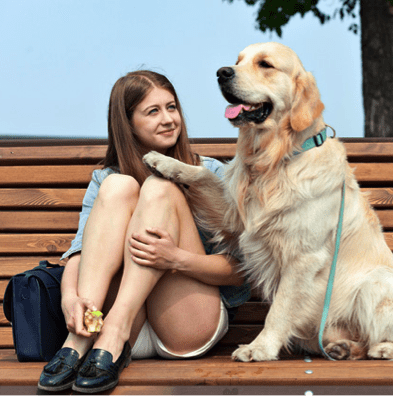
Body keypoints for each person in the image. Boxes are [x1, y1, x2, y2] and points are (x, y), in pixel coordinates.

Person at [38, 70, 250, 394]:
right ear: (128, 124)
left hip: (185, 324)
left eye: (172, 107)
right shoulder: (105, 179)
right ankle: (83, 336)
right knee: (119, 185)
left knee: (159, 186)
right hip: (108, 342)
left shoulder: (210, 173)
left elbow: (242, 270)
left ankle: (114, 327)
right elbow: (79, 256)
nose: (168, 119)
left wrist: (176, 259)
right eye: (153, 112)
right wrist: (71, 299)